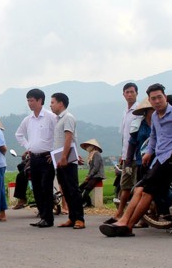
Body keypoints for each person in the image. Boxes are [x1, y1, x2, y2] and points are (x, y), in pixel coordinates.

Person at [100, 83, 172, 237]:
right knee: (139, 188)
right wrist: (148, 152)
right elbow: (153, 137)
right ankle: (124, 220)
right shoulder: (154, 116)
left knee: (147, 192)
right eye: (153, 99)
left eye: (159, 97)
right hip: (158, 159)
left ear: (165, 97)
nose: (157, 101)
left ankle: (128, 226)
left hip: (171, 159)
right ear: (149, 101)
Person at [15, 88, 57, 228]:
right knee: (37, 188)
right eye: (28, 100)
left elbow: (59, 135)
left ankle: (49, 218)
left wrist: (55, 153)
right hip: (33, 158)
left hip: (47, 157)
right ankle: (42, 216)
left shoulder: (50, 117)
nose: (29, 103)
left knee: (46, 187)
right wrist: (28, 146)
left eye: (32, 100)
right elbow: (19, 134)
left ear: (40, 101)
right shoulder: (28, 120)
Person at [50, 92, 84, 229]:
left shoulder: (68, 118)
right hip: (59, 160)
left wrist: (64, 157)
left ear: (61, 103)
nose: (51, 105)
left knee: (73, 189)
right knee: (65, 189)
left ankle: (80, 219)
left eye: (52, 102)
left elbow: (68, 138)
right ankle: (72, 217)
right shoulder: (58, 119)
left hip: (67, 160)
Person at [117, 83, 142, 219]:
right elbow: (124, 136)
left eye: (132, 92)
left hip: (136, 155)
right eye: (127, 92)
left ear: (137, 93)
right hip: (127, 154)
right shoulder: (125, 113)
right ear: (123, 95)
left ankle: (125, 213)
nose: (129, 94)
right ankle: (121, 212)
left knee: (132, 185)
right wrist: (123, 154)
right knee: (126, 185)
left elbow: (135, 135)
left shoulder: (139, 110)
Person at [79, 139, 105, 208]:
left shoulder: (96, 154)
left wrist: (89, 176)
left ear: (93, 146)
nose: (87, 147)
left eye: (88, 146)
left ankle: (82, 203)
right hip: (93, 175)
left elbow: (96, 167)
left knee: (87, 188)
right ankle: (88, 203)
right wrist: (88, 176)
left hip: (97, 175)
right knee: (81, 187)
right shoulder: (91, 154)